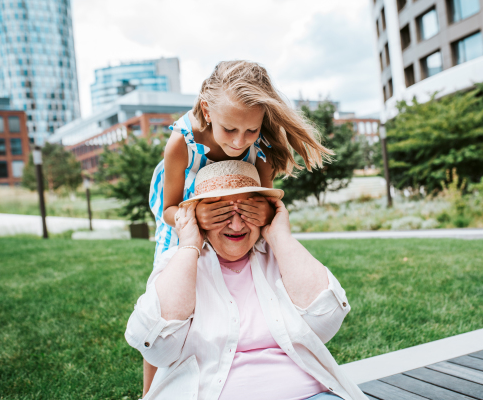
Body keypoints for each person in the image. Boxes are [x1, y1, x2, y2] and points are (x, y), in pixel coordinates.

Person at [147, 60, 334, 390]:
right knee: (163, 299)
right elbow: (168, 208)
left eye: (250, 130)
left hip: (234, 211)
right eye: (230, 130)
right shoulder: (182, 142)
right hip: (185, 211)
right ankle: (150, 390)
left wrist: (261, 218)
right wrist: (195, 221)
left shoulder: (260, 148)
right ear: (207, 110)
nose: (238, 142)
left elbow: (263, 202)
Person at [127, 160, 367, 400]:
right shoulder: (178, 263)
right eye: (221, 213)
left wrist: (281, 235)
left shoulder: (279, 256)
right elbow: (158, 348)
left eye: (247, 211)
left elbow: (326, 320)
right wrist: (189, 243)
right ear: (200, 218)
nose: (237, 224)